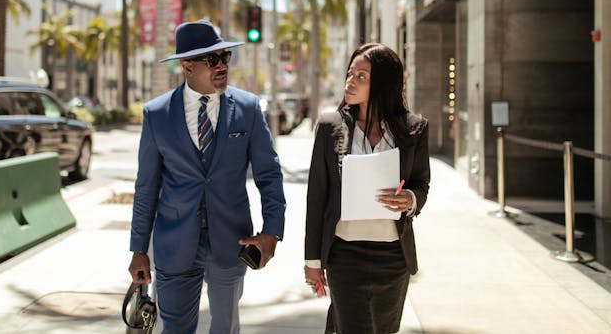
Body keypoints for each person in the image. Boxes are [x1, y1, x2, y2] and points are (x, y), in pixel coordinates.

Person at [128, 19, 286, 334]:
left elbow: (269, 175)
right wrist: (139, 249)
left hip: (231, 242)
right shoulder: (157, 114)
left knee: (225, 327)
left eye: (225, 56)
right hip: (174, 245)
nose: (222, 65)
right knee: (175, 329)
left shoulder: (248, 108)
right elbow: (147, 187)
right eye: (212, 59)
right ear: (188, 66)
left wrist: (272, 232)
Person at [304, 43, 431, 333]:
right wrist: (313, 260)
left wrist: (409, 199)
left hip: (393, 257)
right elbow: (317, 198)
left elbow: (421, 183)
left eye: (362, 76)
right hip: (344, 254)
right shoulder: (329, 126)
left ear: (383, 83)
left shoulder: (414, 128)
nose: (351, 81)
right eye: (350, 73)